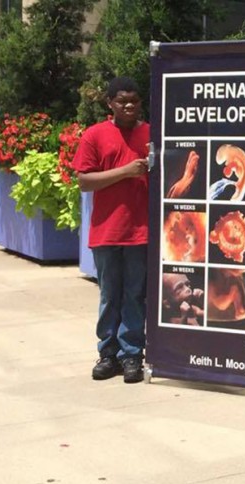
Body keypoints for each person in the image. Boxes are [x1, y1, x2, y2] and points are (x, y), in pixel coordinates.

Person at [73, 77, 150, 384]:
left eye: (134, 101)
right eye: (122, 101)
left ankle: (131, 356)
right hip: (107, 230)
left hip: (141, 230)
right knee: (109, 295)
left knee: (134, 294)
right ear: (110, 104)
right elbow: (84, 181)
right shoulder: (95, 135)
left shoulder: (150, 133)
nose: (129, 106)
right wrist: (126, 172)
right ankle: (108, 354)